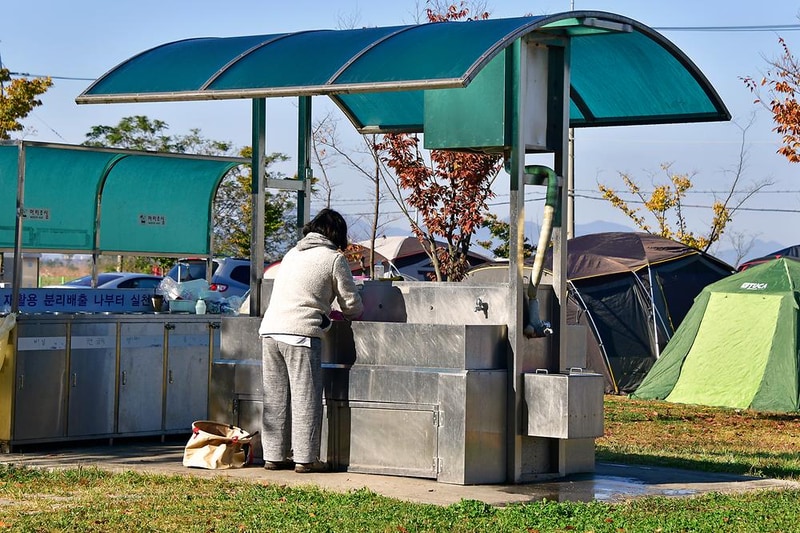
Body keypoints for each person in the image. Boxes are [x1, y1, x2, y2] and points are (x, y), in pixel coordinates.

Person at [259, 208, 363, 473]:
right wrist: (347, 314)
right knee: (306, 397)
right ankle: (305, 459)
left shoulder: (292, 254)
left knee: (275, 397)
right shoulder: (333, 259)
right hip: (301, 333)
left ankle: (273, 456)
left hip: (270, 331)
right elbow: (351, 304)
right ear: (337, 234)